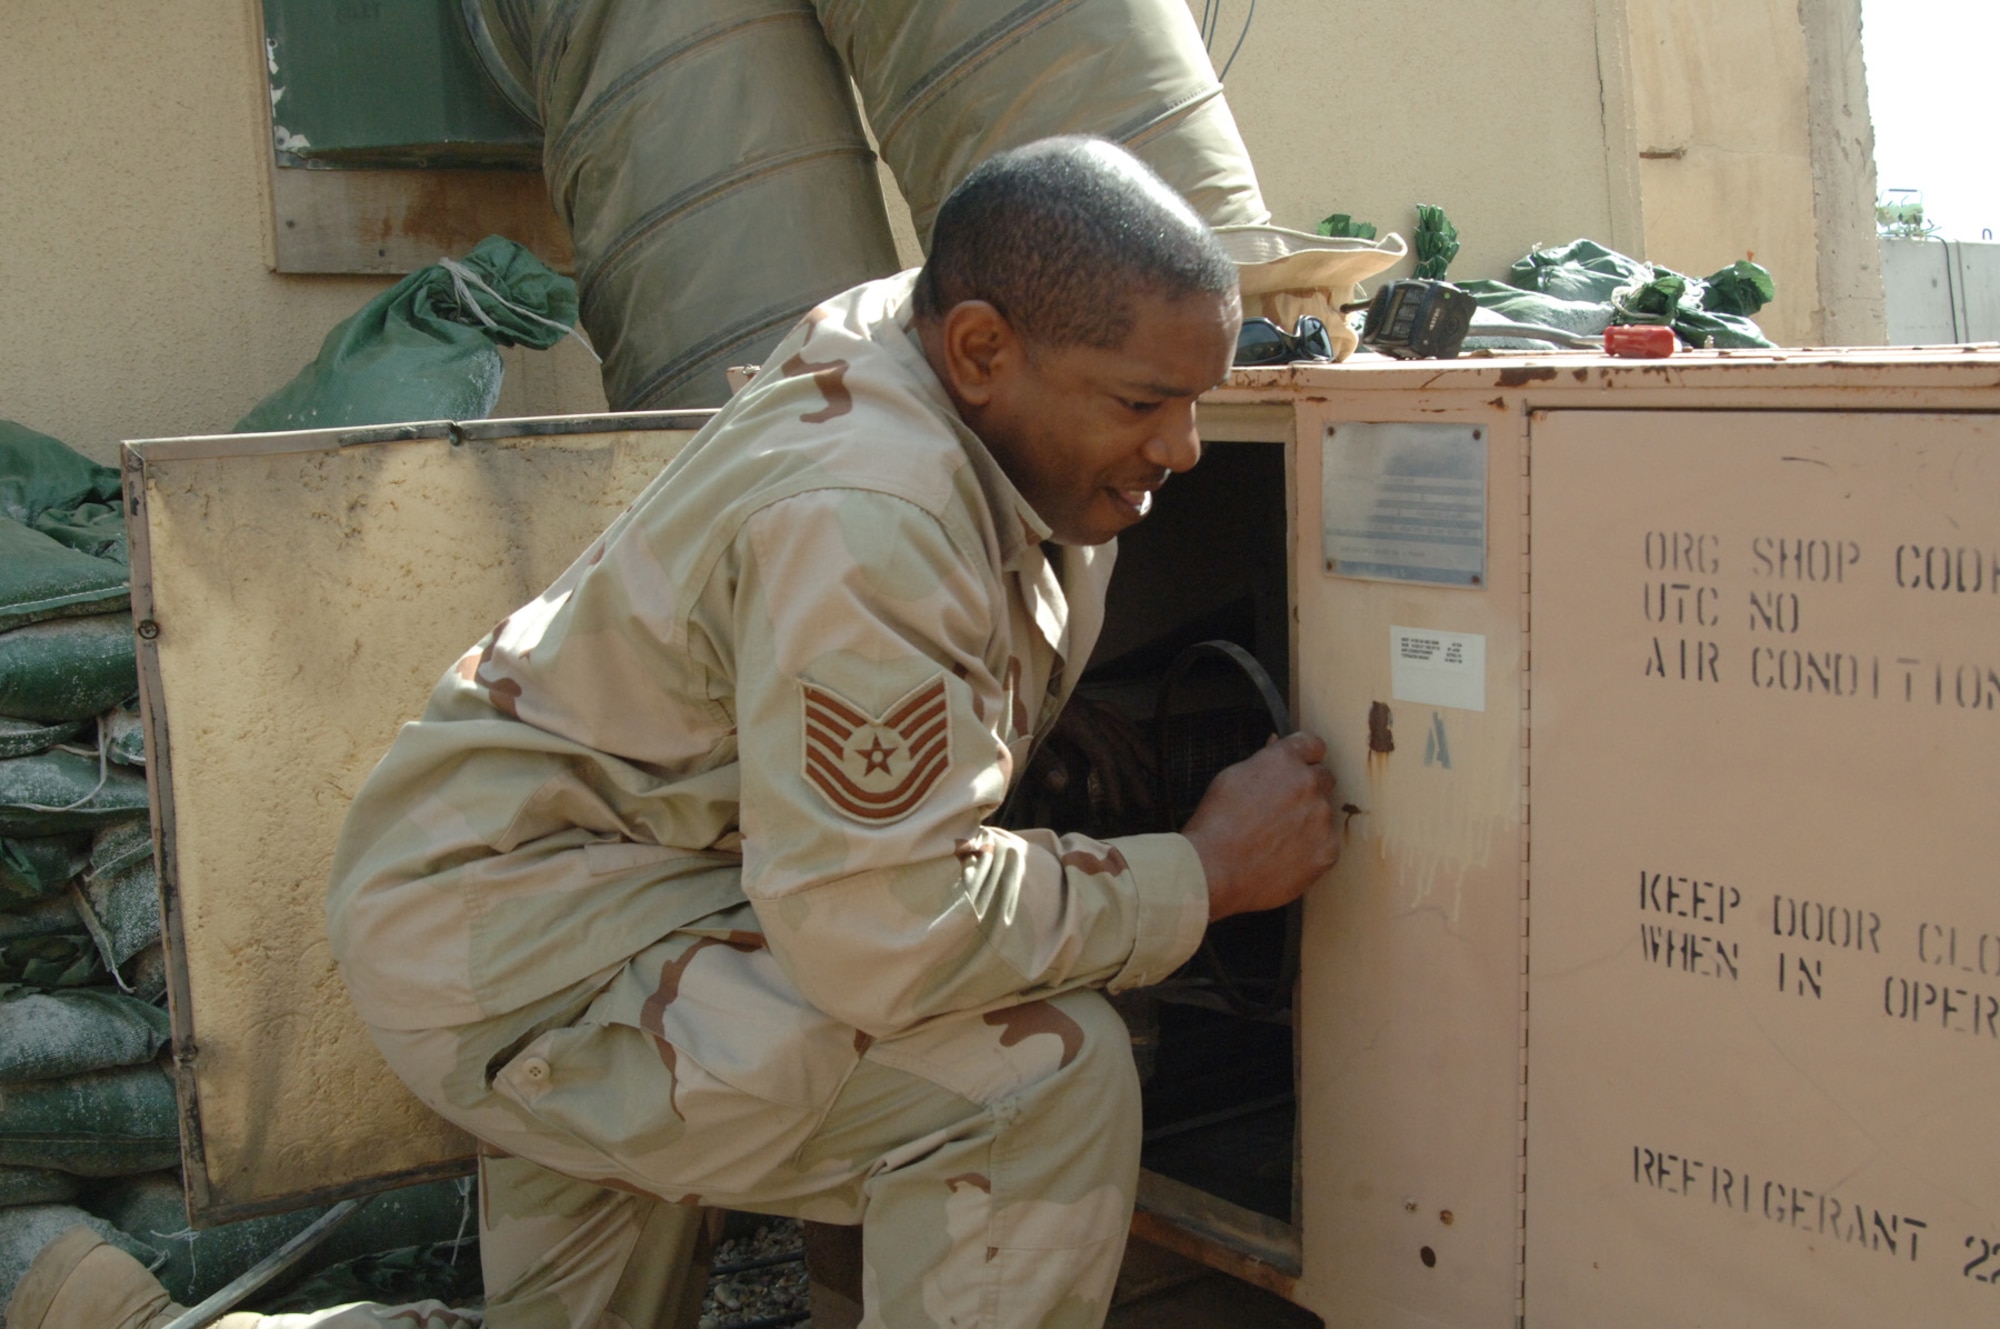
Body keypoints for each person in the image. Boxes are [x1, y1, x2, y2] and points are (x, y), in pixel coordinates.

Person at [9, 136, 1341, 1329]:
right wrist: (1204, 872)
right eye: (1140, 403)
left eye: (1196, 398)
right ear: (981, 351)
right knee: (1043, 1080)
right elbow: (876, 931)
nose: (1182, 447)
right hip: (538, 947)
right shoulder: (871, 511)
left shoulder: (944, 356)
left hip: (575, 881)